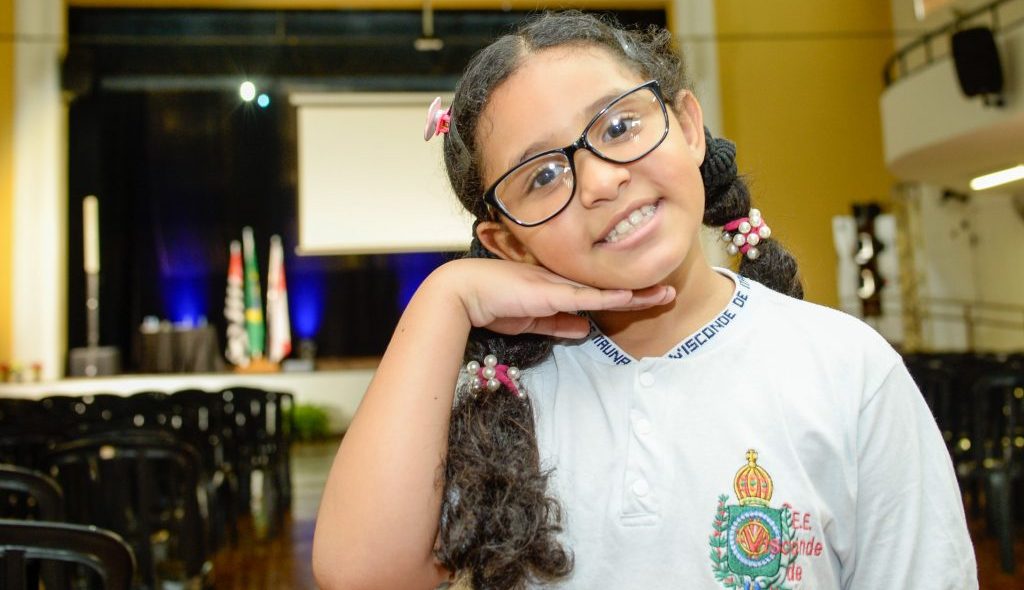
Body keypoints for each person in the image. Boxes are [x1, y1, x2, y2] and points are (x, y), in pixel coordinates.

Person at [312, 11, 977, 590]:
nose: (601, 181)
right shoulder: (497, 400)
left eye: (619, 126)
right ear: (507, 242)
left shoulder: (847, 368)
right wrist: (445, 295)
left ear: (687, 126)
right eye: (542, 176)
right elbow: (362, 573)